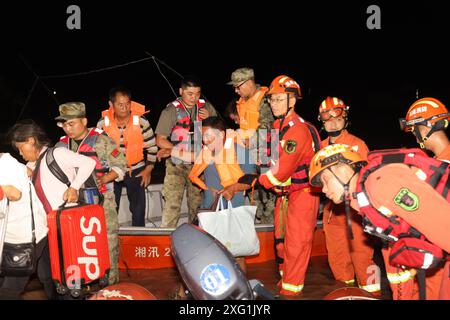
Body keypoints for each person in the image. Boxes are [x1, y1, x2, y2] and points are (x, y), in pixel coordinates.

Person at [308, 144, 450, 300]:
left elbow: (445, 228)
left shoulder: (380, 184)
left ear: (343, 169)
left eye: (325, 180)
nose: (323, 189)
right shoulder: (366, 201)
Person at [236, 75, 321, 296]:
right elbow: (268, 159)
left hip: (302, 195)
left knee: (296, 244)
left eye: (279, 100)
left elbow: (281, 172)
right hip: (284, 196)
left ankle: (292, 292)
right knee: (281, 243)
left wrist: (256, 180)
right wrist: (259, 163)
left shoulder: (298, 130)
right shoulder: (276, 126)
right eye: (271, 100)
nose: (273, 104)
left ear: (292, 101)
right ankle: (286, 284)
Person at [55, 102, 128, 285]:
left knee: (109, 241)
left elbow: (121, 165)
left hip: (102, 201)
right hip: (74, 205)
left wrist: (105, 179)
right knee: (79, 244)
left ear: (84, 121)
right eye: (64, 124)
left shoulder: (102, 140)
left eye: (71, 123)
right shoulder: (61, 145)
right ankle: (86, 283)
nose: (67, 128)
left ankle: (112, 284)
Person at [317, 97, 380, 294]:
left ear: (345, 118)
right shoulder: (320, 146)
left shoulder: (357, 145)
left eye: (337, 117)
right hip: (332, 210)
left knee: (363, 258)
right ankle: (346, 293)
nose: (333, 122)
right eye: (328, 119)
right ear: (322, 120)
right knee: (338, 260)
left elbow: (368, 178)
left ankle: (372, 294)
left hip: (356, 211)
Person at [189, 116, 257, 273]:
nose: (204, 140)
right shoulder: (206, 152)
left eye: (208, 135)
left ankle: (241, 294)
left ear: (221, 134)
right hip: (209, 209)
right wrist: (206, 188)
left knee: (238, 254)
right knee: (203, 252)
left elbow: (252, 178)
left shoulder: (239, 150)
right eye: (202, 136)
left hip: (234, 209)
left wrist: (233, 188)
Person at [399, 97, 450, 299]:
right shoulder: (436, 163)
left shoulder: (441, 166)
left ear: (426, 126)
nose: (414, 135)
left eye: (414, 129)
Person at [156, 76, 217, 228]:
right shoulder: (171, 110)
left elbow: (218, 134)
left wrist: (210, 119)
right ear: (181, 91)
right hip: (176, 165)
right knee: (172, 204)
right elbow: (160, 140)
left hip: (199, 165)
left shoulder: (206, 108)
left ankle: (196, 236)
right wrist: (176, 151)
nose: (194, 97)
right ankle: (166, 238)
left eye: (197, 93)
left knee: (197, 205)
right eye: (190, 93)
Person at [97, 87, 158, 227]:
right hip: (112, 170)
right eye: (120, 104)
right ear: (111, 105)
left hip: (136, 169)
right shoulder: (102, 123)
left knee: (138, 209)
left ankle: (139, 240)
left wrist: (148, 169)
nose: (125, 108)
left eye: (127, 103)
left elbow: (152, 147)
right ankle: (111, 240)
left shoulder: (141, 121)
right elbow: (99, 151)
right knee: (111, 208)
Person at [0, 152, 56, 300]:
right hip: (21, 232)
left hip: (25, 236)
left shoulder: (6, 163)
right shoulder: (12, 163)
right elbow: (28, 171)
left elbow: (14, 193)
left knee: (10, 289)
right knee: (48, 278)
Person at [9, 120, 96, 212]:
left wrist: (74, 187)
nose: (20, 153)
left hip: (69, 215)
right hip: (48, 221)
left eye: (21, 148)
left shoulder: (56, 154)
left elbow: (88, 163)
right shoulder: (29, 166)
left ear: (31, 141)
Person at [227, 67, 276, 224]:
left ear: (249, 82)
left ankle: (271, 233)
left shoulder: (266, 99)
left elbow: (268, 129)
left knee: (268, 201)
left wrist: (247, 140)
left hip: (266, 156)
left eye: (238, 86)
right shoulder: (242, 102)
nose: (236, 90)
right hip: (248, 156)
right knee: (253, 197)